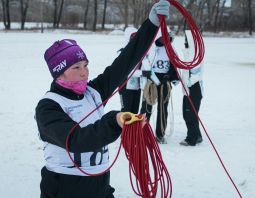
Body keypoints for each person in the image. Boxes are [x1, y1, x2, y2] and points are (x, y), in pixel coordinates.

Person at [35, 1, 170, 197]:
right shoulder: (48, 107)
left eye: (85, 64)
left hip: (101, 187)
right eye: (76, 67)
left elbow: (124, 63)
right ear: (59, 74)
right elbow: (75, 140)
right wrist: (113, 121)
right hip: (64, 188)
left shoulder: (93, 92)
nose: (84, 72)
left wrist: (150, 25)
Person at [140, 26, 179, 144]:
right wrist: (151, 77)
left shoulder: (171, 49)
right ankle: (142, 133)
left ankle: (160, 134)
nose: (164, 39)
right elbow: (144, 63)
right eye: (162, 36)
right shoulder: (151, 48)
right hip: (151, 80)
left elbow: (175, 65)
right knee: (146, 108)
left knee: (163, 108)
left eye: (166, 36)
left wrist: (169, 77)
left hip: (165, 81)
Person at [117, 27, 152, 114]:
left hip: (136, 85)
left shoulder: (141, 52)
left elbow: (147, 66)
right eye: (133, 37)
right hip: (125, 84)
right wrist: (142, 73)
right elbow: (126, 71)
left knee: (134, 112)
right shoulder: (122, 52)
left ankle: (133, 128)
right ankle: (124, 128)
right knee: (126, 111)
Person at [179, 31, 204, 146]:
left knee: (190, 115)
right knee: (186, 114)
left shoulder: (194, 53)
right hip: (187, 89)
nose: (184, 42)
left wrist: (188, 84)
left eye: (186, 39)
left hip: (193, 89)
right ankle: (197, 135)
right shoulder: (189, 52)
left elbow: (195, 74)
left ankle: (192, 139)